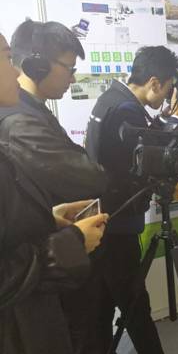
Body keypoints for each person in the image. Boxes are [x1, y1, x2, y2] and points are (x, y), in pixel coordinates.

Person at [66, 46, 178, 354]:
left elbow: (135, 143)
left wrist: (165, 118)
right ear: (154, 82)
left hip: (103, 218)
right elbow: (148, 159)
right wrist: (177, 119)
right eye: (167, 89)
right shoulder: (126, 110)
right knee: (135, 305)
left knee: (102, 305)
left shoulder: (112, 99)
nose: (168, 96)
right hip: (118, 222)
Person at [0, 31, 108, 354]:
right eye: (6, 59)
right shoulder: (19, 122)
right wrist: (72, 241)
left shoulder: (33, 113)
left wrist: (48, 217)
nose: (15, 71)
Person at [0, 19, 106, 206]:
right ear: (38, 66)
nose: (72, 79)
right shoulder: (20, 123)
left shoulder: (33, 109)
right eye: (70, 69)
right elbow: (83, 179)